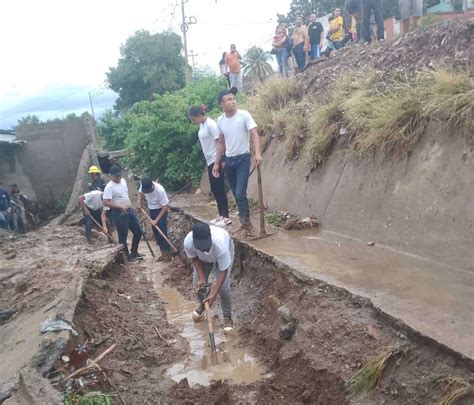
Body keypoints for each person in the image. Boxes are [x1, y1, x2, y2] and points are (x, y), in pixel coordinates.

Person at [213, 88, 262, 238]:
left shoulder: (244, 115)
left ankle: (247, 225)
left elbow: (254, 133)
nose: (233, 101)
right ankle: (244, 223)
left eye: (233, 98)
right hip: (229, 160)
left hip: (243, 159)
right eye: (228, 99)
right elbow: (221, 143)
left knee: (240, 193)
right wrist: (216, 163)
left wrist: (257, 153)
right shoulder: (220, 120)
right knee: (235, 193)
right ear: (222, 104)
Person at [184, 222, 234, 331]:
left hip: (221, 254)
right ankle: (204, 306)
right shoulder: (188, 243)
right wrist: (202, 278)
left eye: (206, 247)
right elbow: (195, 259)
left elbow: (223, 270)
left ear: (210, 238)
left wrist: (214, 293)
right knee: (197, 284)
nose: (204, 250)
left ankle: (227, 316)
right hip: (202, 260)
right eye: (201, 248)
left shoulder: (220, 244)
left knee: (224, 289)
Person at [188, 105, 231, 227]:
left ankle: (226, 216)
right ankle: (221, 215)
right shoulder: (202, 125)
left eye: (193, 119)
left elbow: (221, 143)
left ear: (199, 116)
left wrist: (218, 161)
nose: (193, 122)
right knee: (215, 189)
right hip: (210, 161)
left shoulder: (211, 125)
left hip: (216, 160)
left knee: (219, 188)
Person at [102, 165, 143, 262]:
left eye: (119, 176)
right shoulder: (109, 187)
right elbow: (105, 202)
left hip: (129, 210)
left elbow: (125, 195)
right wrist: (120, 207)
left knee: (138, 232)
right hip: (119, 213)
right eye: (116, 176)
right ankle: (126, 257)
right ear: (110, 176)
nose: (118, 178)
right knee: (123, 237)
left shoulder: (123, 181)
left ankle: (134, 252)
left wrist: (129, 205)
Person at [137, 177, 172, 259]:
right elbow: (140, 193)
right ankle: (163, 253)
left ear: (152, 186)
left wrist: (156, 220)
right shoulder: (143, 185)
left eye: (148, 191)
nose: (147, 192)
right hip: (152, 210)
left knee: (162, 233)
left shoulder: (160, 190)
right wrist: (139, 201)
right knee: (156, 233)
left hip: (161, 211)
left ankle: (168, 253)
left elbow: (165, 206)